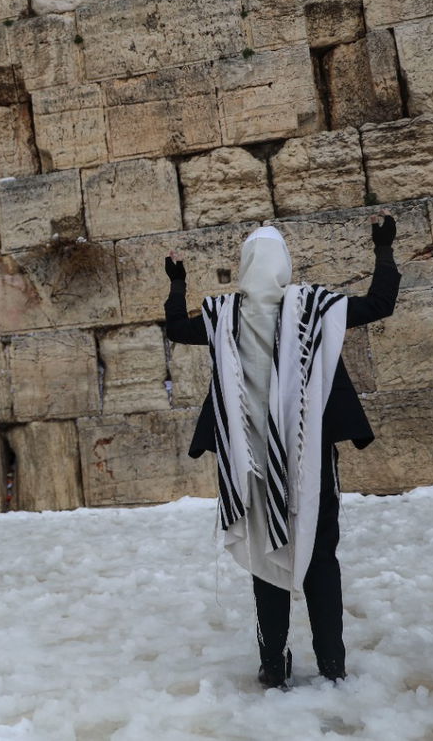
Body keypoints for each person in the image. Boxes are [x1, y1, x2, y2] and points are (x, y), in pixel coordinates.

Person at [164, 215, 399, 688]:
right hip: (308, 462)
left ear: (246, 264)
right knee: (320, 557)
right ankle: (332, 665)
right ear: (285, 265)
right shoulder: (314, 307)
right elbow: (380, 303)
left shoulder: (224, 315)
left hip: (249, 465)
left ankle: (274, 665)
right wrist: (384, 248)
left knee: (267, 557)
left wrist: (178, 283)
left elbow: (175, 328)